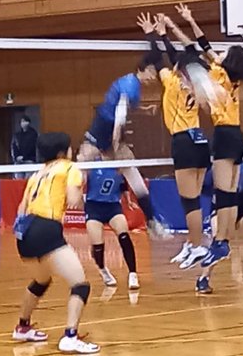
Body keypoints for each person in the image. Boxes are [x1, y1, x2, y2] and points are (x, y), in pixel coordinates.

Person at [169, 4, 243, 269]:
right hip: (237, 135)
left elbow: (196, 49)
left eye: (225, 52)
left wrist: (176, 28)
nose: (220, 52)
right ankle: (224, 241)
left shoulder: (218, 73)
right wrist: (188, 19)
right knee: (230, 193)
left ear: (230, 60)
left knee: (224, 194)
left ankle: (220, 242)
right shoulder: (233, 77)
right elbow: (204, 45)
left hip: (225, 136)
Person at [138, 12, 215, 269]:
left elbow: (158, 58)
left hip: (184, 142)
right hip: (200, 141)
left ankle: (197, 246)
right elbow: (172, 57)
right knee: (195, 199)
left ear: (178, 68)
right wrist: (163, 34)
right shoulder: (198, 85)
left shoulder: (171, 82)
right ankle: (193, 243)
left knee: (189, 201)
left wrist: (151, 34)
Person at [12, 132, 99, 354]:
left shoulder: (37, 174)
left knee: (41, 280)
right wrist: (82, 184)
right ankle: (70, 336)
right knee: (80, 284)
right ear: (63, 152)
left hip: (24, 232)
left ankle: (22, 327)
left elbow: (21, 208)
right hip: (46, 228)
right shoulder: (70, 168)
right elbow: (74, 201)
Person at [79, 44, 169, 240]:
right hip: (103, 129)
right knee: (81, 168)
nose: (154, 77)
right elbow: (120, 112)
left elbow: (125, 107)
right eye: (153, 72)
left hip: (112, 131)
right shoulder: (129, 84)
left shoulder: (135, 86)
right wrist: (116, 138)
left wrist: (145, 110)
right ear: (144, 69)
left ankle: (152, 222)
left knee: (132, 173)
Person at [196, 162, 243, 294]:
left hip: (242, 212)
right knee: (218, 243)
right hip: (221, 213)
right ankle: (203, 278)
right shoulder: (213, 171)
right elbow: (204, 191)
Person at [80, 152, 140, 290]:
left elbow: (123, 184)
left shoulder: (118, 165)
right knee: (98, 244)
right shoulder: (92, 164)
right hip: (94, 206)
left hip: (113, 206)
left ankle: (133, 274)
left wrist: (128, 200)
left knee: (124, 236)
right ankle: (103, 270)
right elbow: (81, 180)